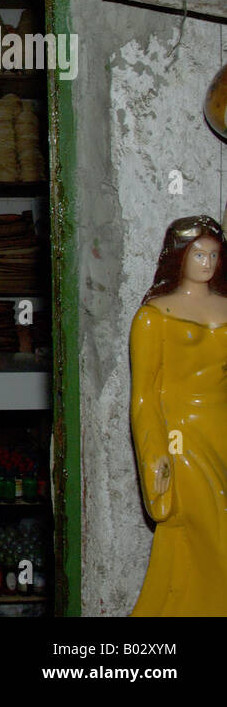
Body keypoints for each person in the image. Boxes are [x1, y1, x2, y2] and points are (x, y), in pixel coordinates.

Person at [131, 215, 227, 615]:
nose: (206, 262)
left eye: (214, 255)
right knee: (213, 537)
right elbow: (144, 398)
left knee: (191, 552)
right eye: (198, 253)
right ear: (179, 257)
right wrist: (156, 455)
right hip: (182, 440)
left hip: (221, 431)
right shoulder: (154, 316)